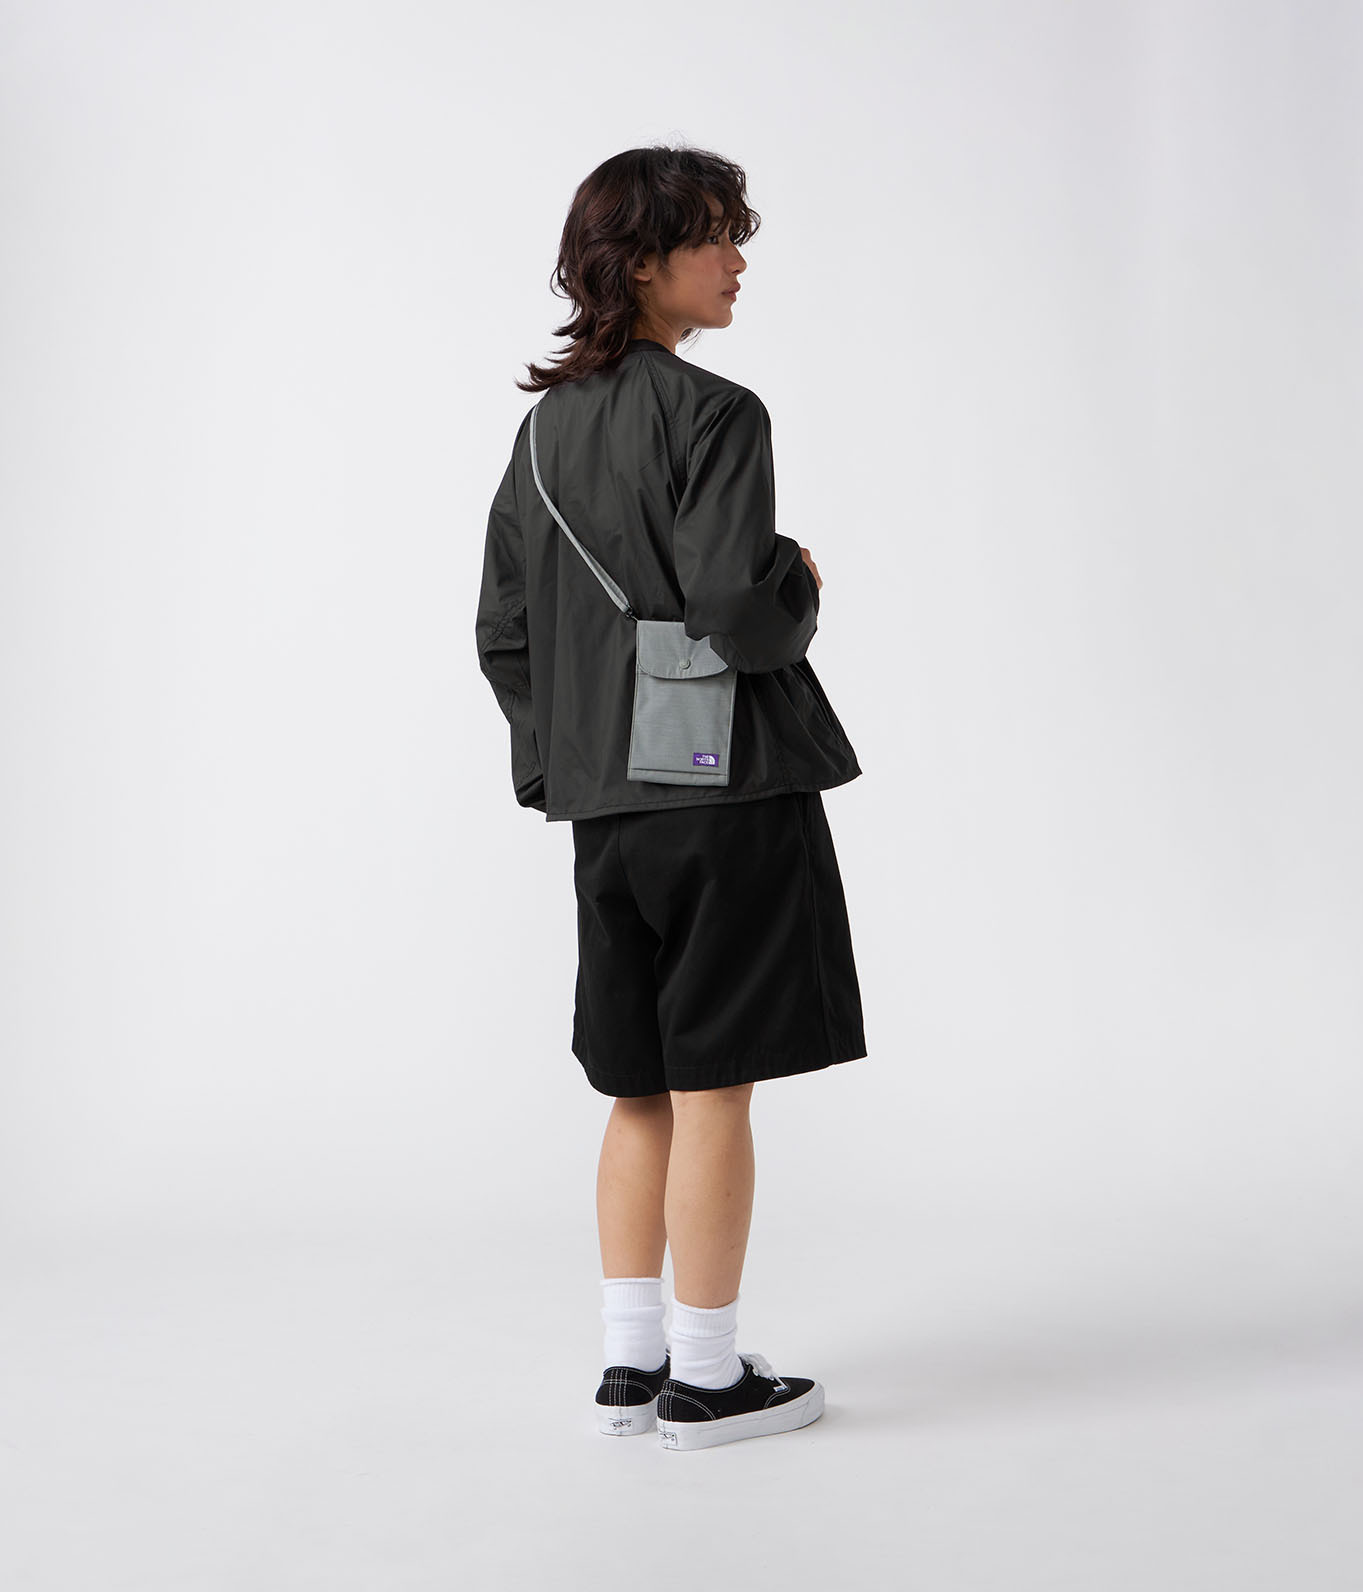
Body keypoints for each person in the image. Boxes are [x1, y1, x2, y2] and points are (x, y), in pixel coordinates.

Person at [474, 145, 867, 1450]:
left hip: (607, 810)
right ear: (641, 263)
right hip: (723, 796)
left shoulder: (543, 433)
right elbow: (736, 611)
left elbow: (505, 633)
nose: (738, 261)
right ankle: (710, 1376)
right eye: (714, 238)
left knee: (637, 1085)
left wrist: (570, 764)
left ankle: (629, 1366)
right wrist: (798, 581)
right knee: (714, 1090)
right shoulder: (718, 413)